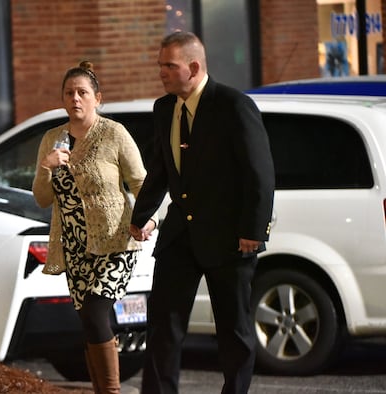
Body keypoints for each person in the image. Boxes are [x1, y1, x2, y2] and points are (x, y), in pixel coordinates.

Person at [130, 32, 275, 394]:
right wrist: (139, 216)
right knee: (163, 327)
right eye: (160, 64)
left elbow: (259, 172)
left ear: (193, 68)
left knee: (234, 331)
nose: (161, 72)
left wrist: (253, 231)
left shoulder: (233, 105)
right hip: (179, 234)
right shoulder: (164, 109)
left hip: (229, 238)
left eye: (169, 65)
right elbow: (162, 169)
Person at [32, 61, 157, 394]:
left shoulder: (113, 133)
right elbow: (43, 199)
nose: (75, 98)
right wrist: (47, 167)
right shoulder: (51, 140)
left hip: (115, 241)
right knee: (88, 320)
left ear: (97, 98)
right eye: (69, 93)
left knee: (96, 310)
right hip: (74, 246)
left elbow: (142, 183)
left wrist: (150, 219)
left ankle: (112, 391)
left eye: (82, 93)